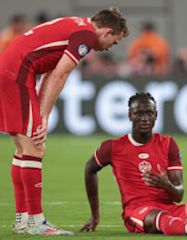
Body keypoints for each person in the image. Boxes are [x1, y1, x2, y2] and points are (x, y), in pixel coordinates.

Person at [0, 7, 129, 236]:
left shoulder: (76, 25)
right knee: (34, 148)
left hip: (9, 69)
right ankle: (36, 222)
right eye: (114, 42)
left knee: (23, 149)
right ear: (107, 31)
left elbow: (52, 73)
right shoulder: (86, 36)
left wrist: (40, 113)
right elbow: (60, 75)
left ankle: (23, 219)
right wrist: (44, 117)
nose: (110, 47)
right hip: (17, 73)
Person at [81, 92, 187, 236]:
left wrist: (166, 184)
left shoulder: (168, 144)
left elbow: (178, 195)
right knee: (161, 219)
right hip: (137, 210)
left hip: (168, 206)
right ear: (130, 115)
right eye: (139, 113)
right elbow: (90, 169)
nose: (144, 118)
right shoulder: (112, 147)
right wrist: (95, 215)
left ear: (156, 115)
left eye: (149, 113)